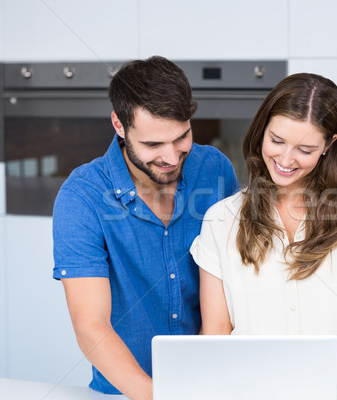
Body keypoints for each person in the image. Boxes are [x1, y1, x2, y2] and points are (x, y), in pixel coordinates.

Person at [190, 73, 337, 399]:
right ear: (262, 131)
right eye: (277, 141)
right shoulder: (221, 219)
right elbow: (216, 331)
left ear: (329, 145)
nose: (286, 160)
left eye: (305, 149)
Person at [52, 56, 238, 400]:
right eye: (153, 145)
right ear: (119, 126)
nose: (171, 156)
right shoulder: (82, 196)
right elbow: (91, 325)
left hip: (213, 384)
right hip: (124, 392)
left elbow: (236, 283)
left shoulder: (215, 169)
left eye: (181, 137)